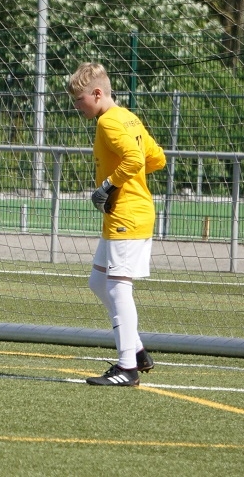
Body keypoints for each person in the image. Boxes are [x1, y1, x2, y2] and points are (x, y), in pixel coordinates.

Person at [67, 62, 167, 387]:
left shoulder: (109, 122)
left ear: (97, 93)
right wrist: (128, 181)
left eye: (79, 99)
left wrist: (109, 186)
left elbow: (136, 160)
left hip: (127, 216)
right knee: (99, 282)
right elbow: (156, 158)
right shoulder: (128, 116)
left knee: (117, 287)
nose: (76, 106)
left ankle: (127, 368)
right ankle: (137, 352)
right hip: (126, 214)